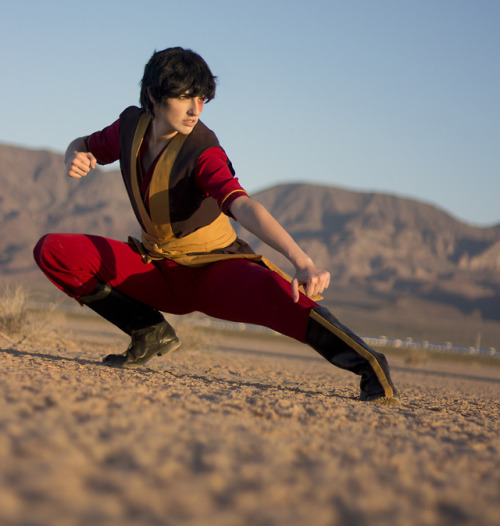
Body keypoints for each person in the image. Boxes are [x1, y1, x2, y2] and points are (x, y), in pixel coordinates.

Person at [34, 47, 399, 404]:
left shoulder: (203, 150)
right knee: (54, 251)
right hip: (156, 268)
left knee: (281, 297)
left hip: (211, 270)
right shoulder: (130, 126)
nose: (195, 109)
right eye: (184, 96)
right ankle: (147, 330)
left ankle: (370, 367)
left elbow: (242, 204)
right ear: (153, 95)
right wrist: (75, 153)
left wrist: (302, 261)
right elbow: (84, 143)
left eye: (202, 98)